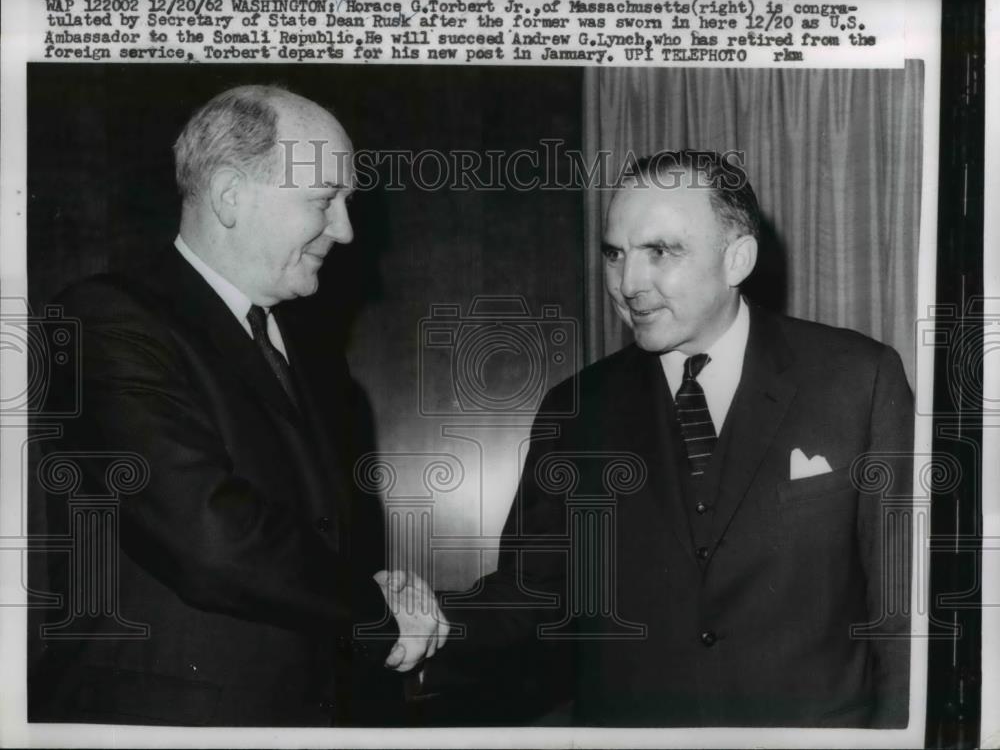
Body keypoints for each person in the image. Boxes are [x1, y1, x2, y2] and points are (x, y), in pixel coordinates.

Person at [421, 150, 913, 728]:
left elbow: (903, 611)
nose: (628, 284)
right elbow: (531, 592)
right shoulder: (575, 409)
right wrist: (427, 621)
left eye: (661, 251)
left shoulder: (857, 379)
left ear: (737, 259)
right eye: (615, 254)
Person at [29, 85, 446, 726]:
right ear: (230, 194)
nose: (345, 230)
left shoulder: (314, 360)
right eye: (324, 200)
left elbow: (309, 547)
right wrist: (373, 609)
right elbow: (210, 539)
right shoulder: (104, 321)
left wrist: (375, 591)